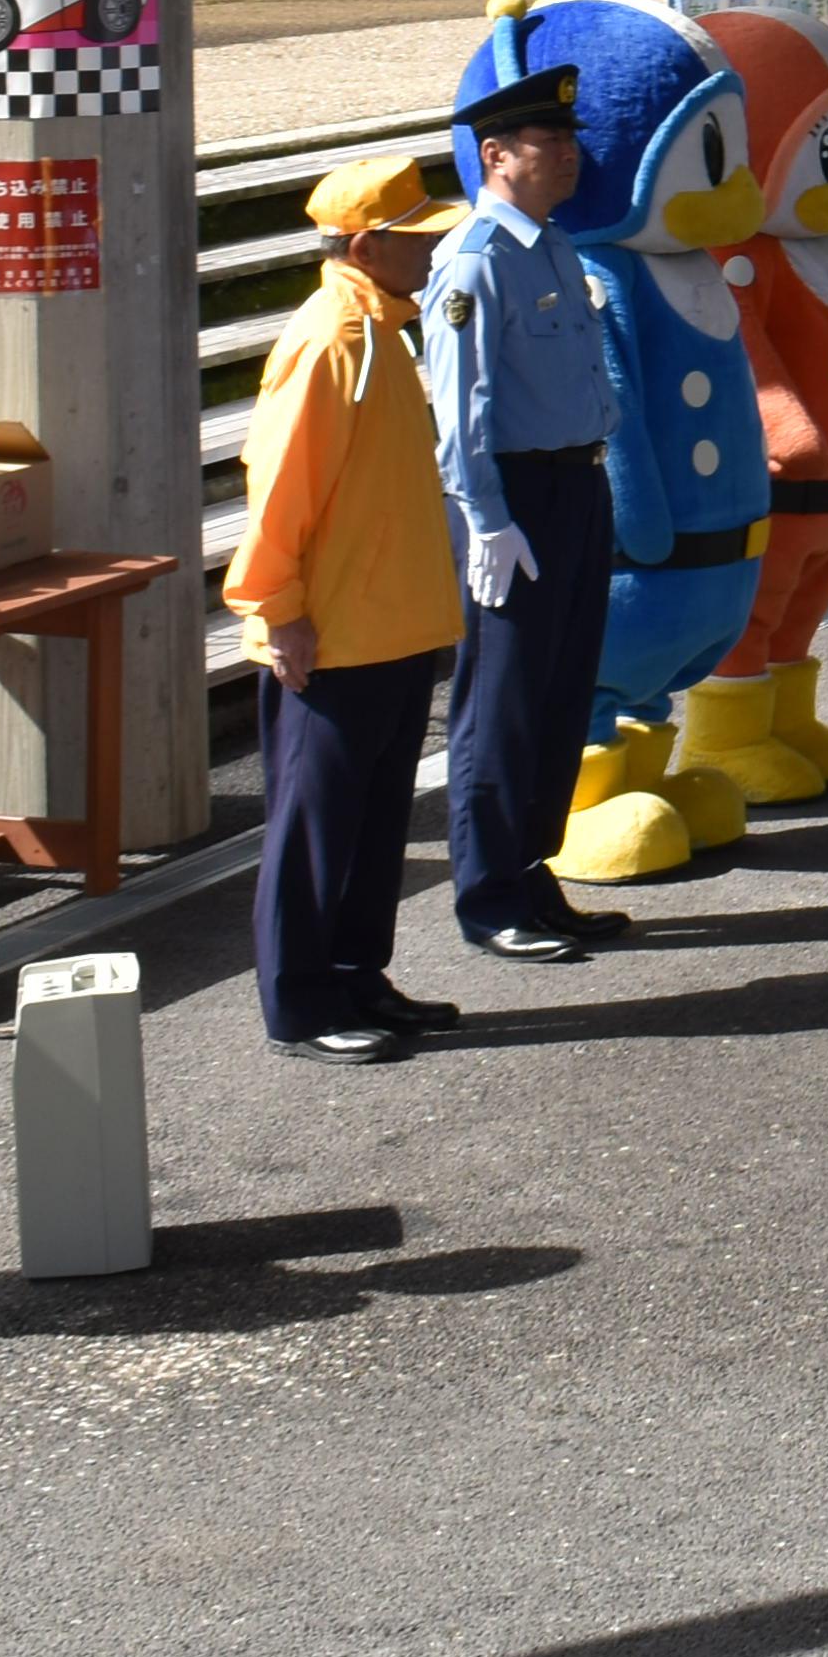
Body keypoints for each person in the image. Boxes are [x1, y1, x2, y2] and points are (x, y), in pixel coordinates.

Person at [224, 153, 475, 1065]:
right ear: (365, 247)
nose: (431, 250)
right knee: (316, 828)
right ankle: (300, 1002)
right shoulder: (333, 339)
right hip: (336, 632)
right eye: (416, 238)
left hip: (388, 623)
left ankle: (357, 976)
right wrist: (276, 608)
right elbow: (280, 485)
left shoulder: (376, 329)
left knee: (368, 822)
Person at [429, 56, 626, 969]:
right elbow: (461, 407)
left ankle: (532, 867)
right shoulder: (475, 260)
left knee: (560, 688)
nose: (569, 154)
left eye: (571, 139)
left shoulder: (550, 244)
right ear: (496, 153)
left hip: (577, 482)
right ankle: (488, 892)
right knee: (502, 700)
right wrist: (485, 518)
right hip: (515, 496)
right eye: (550, 139)